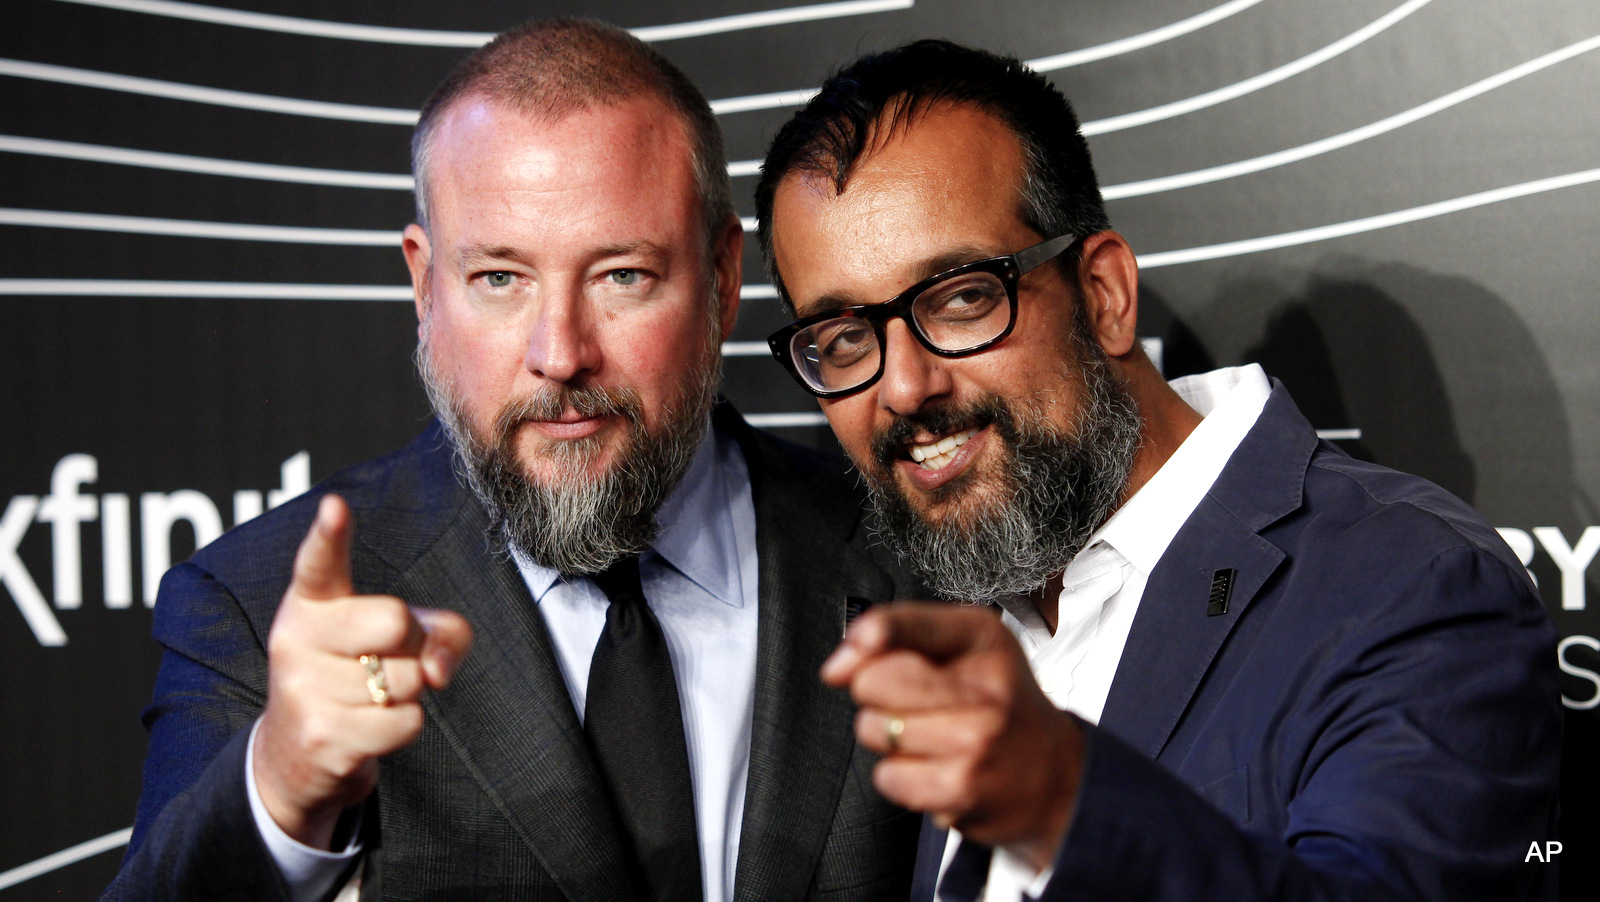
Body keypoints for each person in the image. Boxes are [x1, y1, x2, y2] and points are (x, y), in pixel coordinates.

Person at [104, 19, 921, 902]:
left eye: (622, 276)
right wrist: (280, 790)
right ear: (425, 287)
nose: (560, 353)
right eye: (500, 278)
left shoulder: (907, 549)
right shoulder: (253, 608)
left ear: (723, 279)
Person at [754, 39, 1561, 902]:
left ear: (1103, 294)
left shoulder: (1413, 586)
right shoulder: (925, 608)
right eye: (843, 341)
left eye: (960, 298)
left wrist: (1066, 802)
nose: (906, 389)